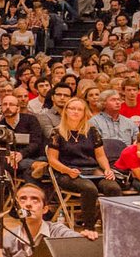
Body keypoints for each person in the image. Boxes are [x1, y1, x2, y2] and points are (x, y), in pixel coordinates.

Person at [0, 183, 98, 257]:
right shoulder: (10, 238)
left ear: (45, 209)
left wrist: (85, 236)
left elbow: (77, 240)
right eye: (23, 199)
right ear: (17, 208)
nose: (28, 204)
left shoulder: (57, 231)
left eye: (35, 200)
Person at [46, 97, 120, 229]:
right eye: (72, 108)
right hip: (67, 172)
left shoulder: (92, 131)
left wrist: (107, 169)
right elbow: (52, 160)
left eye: (79, 109)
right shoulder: (57, 132)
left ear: (84, 113)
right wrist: (67, 170)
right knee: (89, 189)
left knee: (113, 188)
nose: (75, 112)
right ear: (66, 111)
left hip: (92, 170)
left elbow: (100, 155)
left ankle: (112, 226)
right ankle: (89, 227)